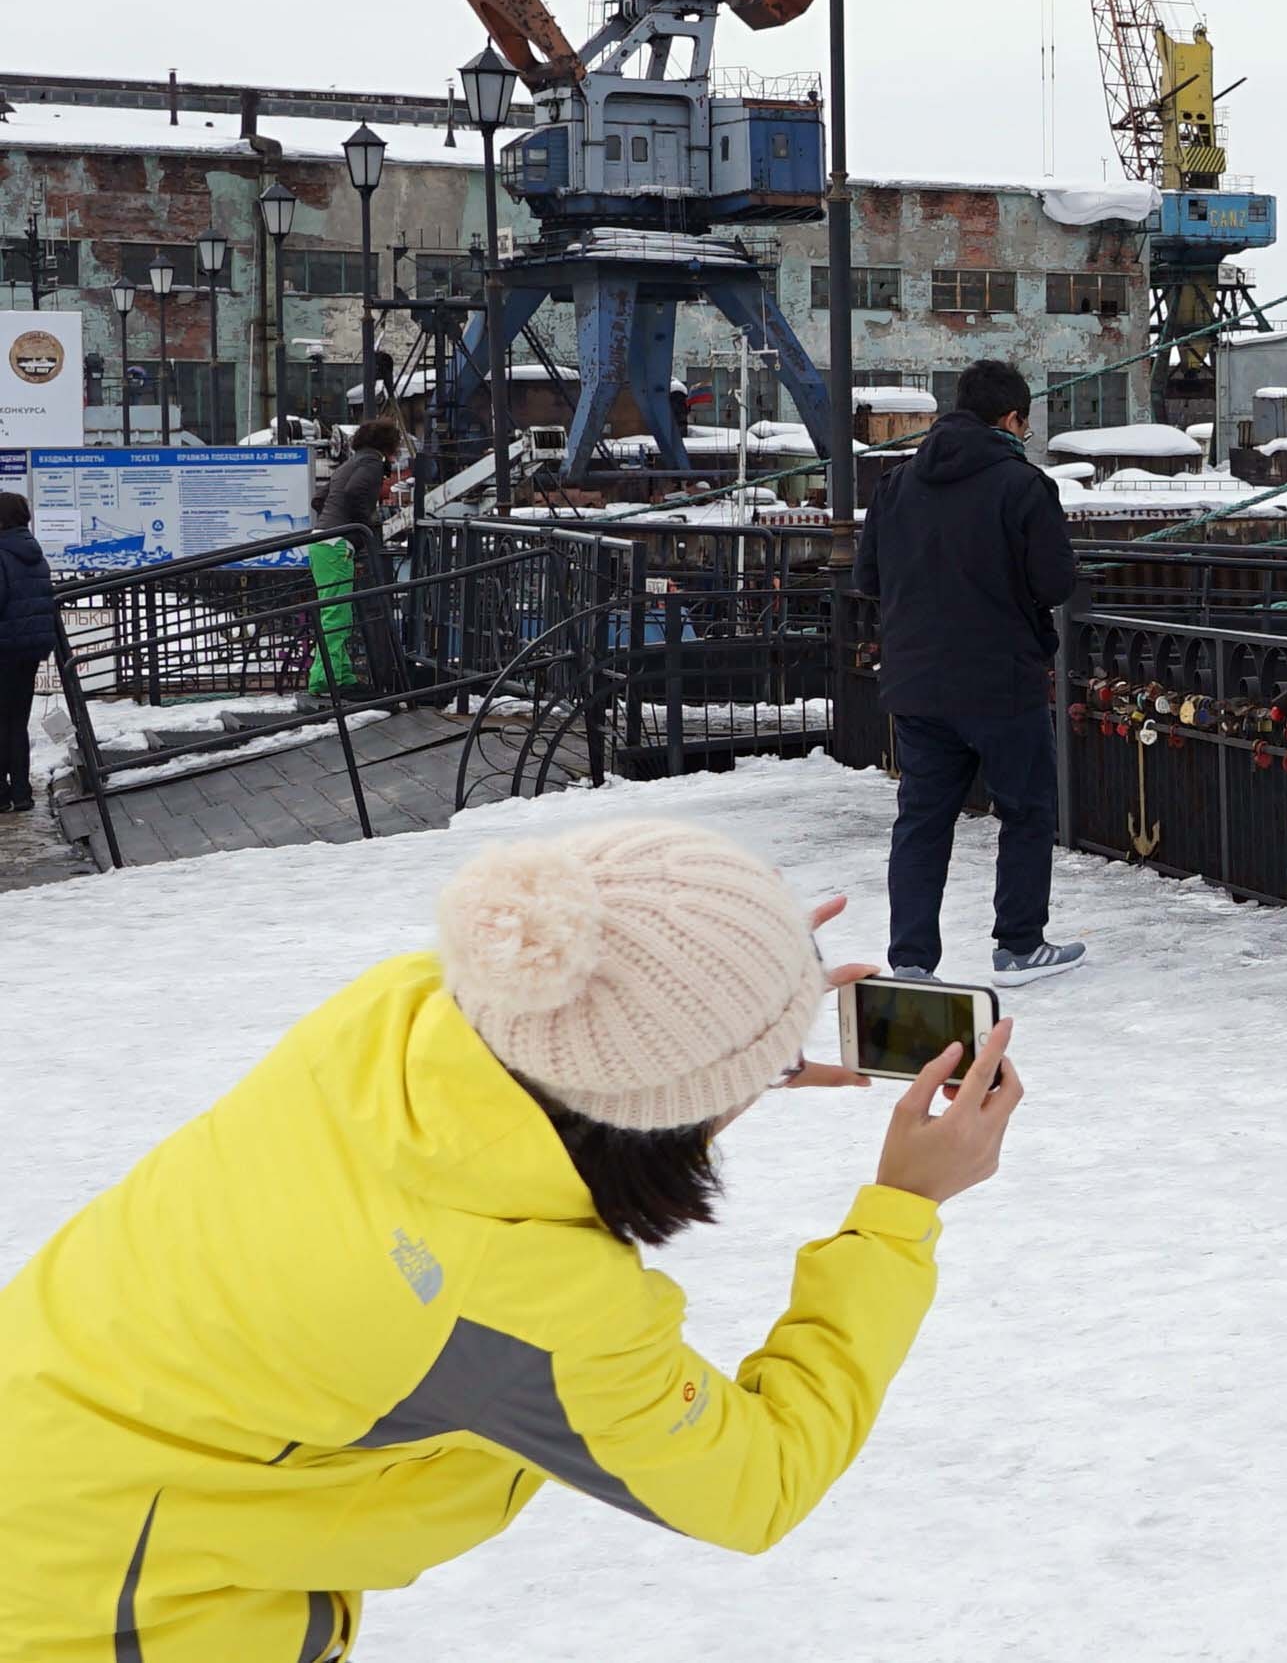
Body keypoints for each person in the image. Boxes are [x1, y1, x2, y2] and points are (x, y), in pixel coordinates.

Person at [0, 819, 1023, 1659]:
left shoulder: (399, 1009)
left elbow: (593, 1049)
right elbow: (758, 1483)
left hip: (53, 1436)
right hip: (109, 1614)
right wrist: (901, 1212)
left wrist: (705, 1021)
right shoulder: (534, 1298)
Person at [853, 357, 1086, 986]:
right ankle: (1018, 946)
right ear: (1012, 418)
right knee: (1027, 810)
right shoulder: (1023, 485)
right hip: (1001, 679)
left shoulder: (896, 484)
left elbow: (867, 579)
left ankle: (910, 960)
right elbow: (1055, 583)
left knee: (922, 821)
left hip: (917, 683)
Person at [308, 418, 402, 696]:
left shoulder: (351, 462)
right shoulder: (371, 463)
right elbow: (354, 493)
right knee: (337, 614)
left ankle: (341, 673)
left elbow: (319, 499)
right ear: (388, 444)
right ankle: (326, 679)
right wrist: (363, 527)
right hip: (337, 543)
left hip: (323, 540)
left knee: (337, 611)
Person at [0, 491, 55, 812]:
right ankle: (21, 792)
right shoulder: (33, 552)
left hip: (4, 647)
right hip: (29, 650)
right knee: (17, 721)